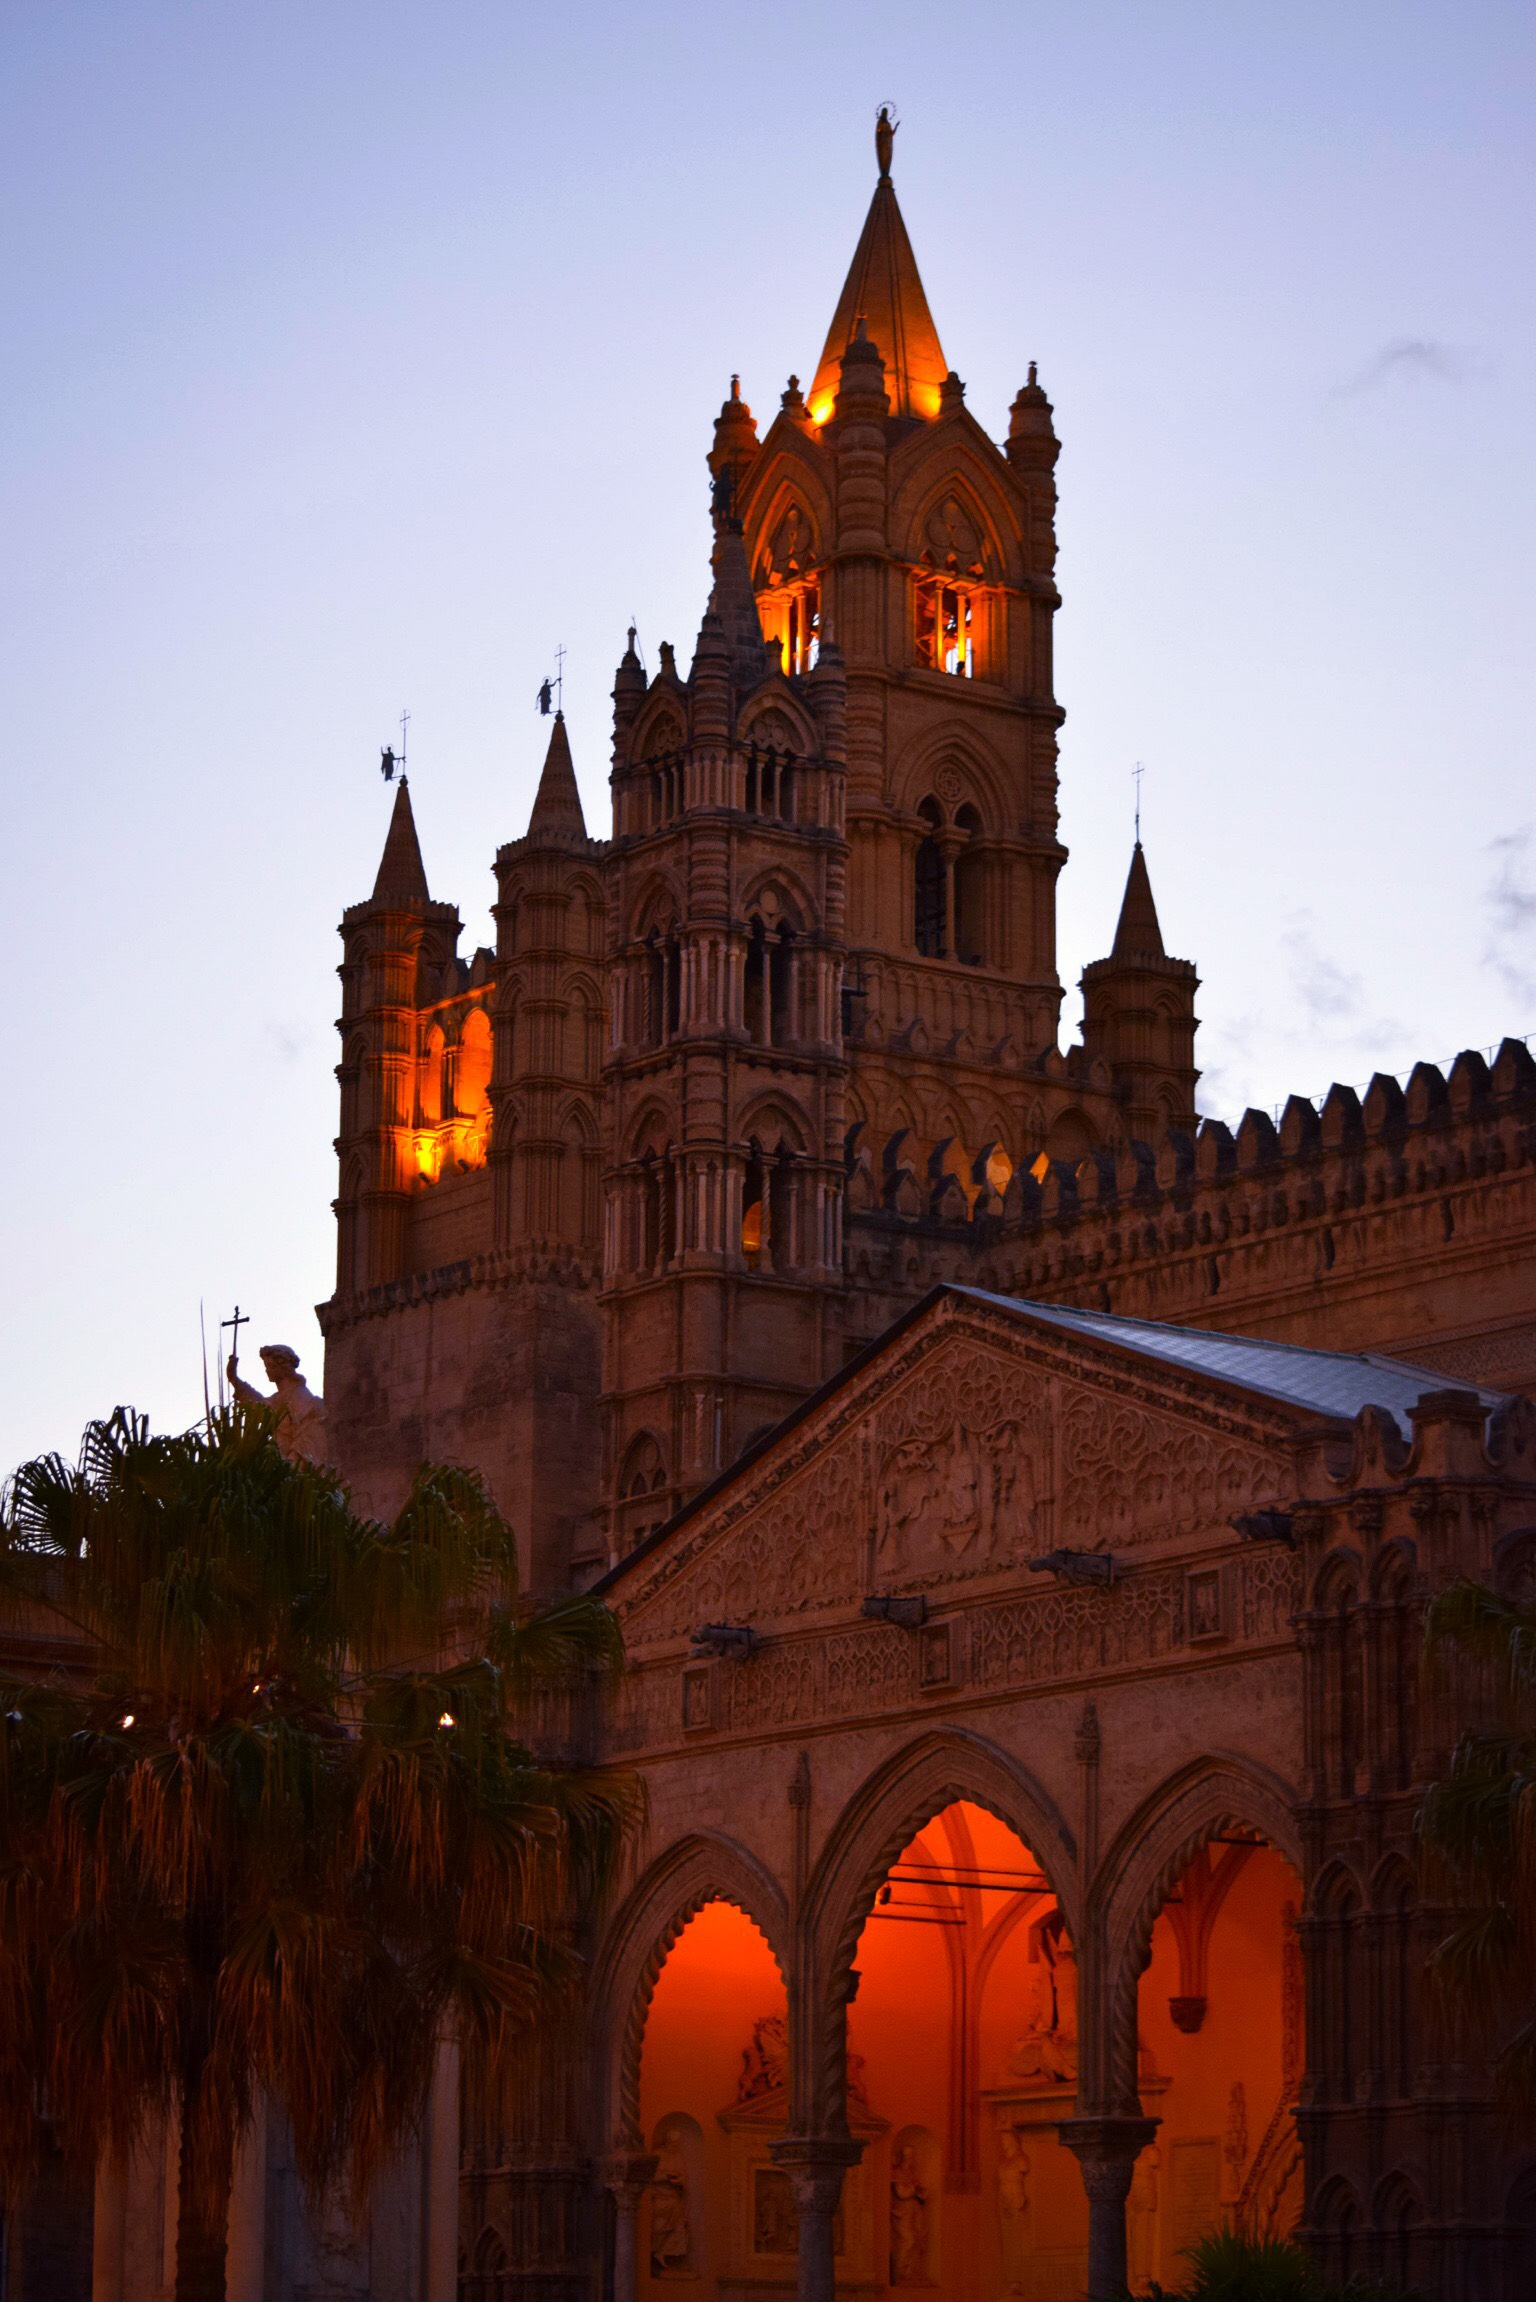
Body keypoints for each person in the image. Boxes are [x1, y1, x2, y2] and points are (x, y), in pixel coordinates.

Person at [227, 1344, 328, 1465]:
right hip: (279, 1460)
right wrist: (234, 1379)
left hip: (293, 1462)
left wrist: (293, 1462)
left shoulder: (299, 1395)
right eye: (266, 1366)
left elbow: (306, 1434)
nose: (267, 1370)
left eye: (271, 1366)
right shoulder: (277, 1398)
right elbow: (258, 1405)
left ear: (284, 1367)